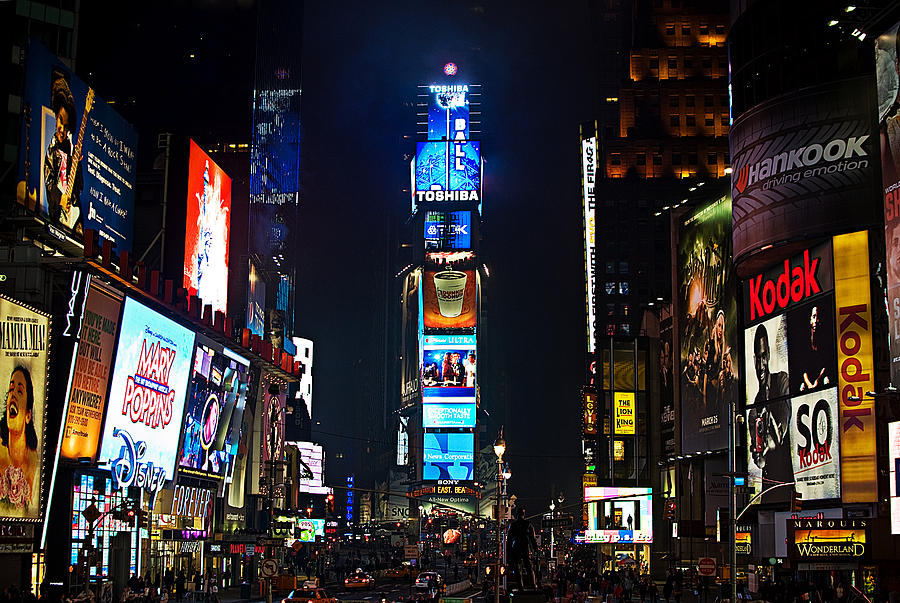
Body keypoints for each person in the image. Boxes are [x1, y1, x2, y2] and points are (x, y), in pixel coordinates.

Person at [43, 75, 84, 232]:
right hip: (57, 213)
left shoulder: (72, 150)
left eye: (66, 126)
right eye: (60, 120)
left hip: (74, 214)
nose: (62, 129)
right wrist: (60, 198)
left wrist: (78, 164)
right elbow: (48, 181)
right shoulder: (52, 150)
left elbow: (79, 187)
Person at [0, 366, 39, 508]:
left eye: (20, 391)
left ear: (28, 416)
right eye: (11, 390)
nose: (13, 395)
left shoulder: (33, 460)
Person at [752, 324, 789, 404]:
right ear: (754, 361)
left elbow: (784, 415)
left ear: (769, 354)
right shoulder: (755, 406)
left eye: (764, 356)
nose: (761, 366)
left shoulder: (781, 380)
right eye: (758, 359)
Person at [507, 508, 538, 590]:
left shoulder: (513, 525)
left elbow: (509, 541)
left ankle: (521, 587)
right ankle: (533, 585)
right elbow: (533, 539)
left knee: (518, 569)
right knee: (528, 568)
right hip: (524, 548)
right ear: (523, 514)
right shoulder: (528, 524)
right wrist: (535, 550)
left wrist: (509, 554)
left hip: (517, 548)